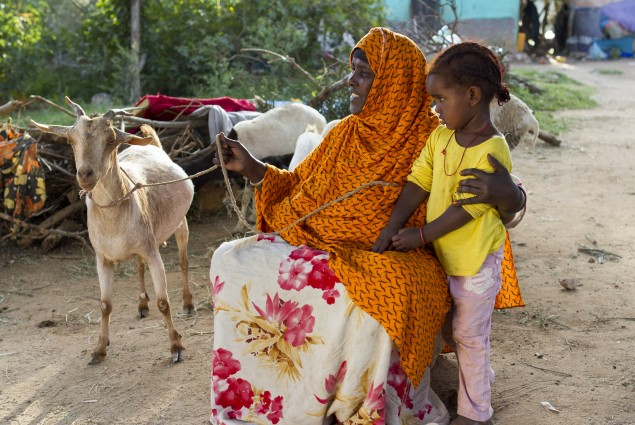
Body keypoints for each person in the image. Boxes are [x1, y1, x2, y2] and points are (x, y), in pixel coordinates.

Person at [209, 28, 524, 425]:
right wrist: (254, 167)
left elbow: (502, 197)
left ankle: (368, 403)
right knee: (231, 259)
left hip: (405, 255)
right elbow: (298, 185)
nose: (349, 80)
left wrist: (510, 195)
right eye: (351, 70)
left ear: (393, 83)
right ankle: (278, 396)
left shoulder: (438, 135)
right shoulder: (342, 134)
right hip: (327, 241)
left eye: (362, 72)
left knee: (376, 297)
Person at [373, 42, 517, 425]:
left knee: (469, 338)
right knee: (457, 332)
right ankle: (478, 384)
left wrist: (419, 235)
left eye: (440, 99)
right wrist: (391, 226)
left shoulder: (492, 150)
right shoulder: (440, 138)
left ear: (472, 95)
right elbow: (418, 181)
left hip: (475, 264)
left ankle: (475, 413)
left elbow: (468, 208)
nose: (434, 109)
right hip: (444, 260)